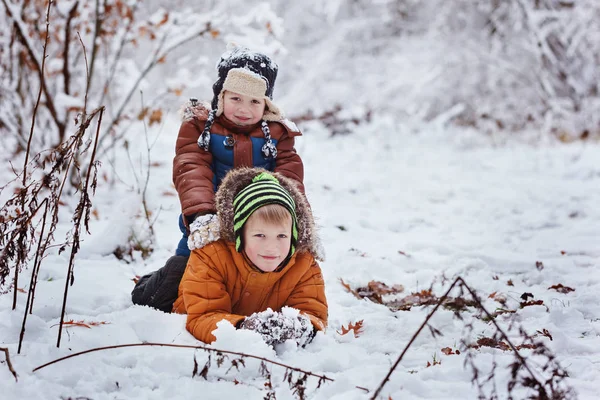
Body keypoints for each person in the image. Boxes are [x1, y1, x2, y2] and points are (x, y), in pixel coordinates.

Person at [132, 45, 310, 312]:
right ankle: (154, 287)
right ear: (220, 96)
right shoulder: (200, 128)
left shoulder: (277, 135)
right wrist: (202, 214)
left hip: (258, 225)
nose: (244, 109)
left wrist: (290, 213)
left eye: (254, 101)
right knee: (176, 285)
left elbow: (289, 176)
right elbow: (191, 167)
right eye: (235, 99)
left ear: (266, 104)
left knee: (265, 274)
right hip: (208, 221)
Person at [146, 168, 328, 347]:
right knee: (156, 287)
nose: (272, 247)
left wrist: (301, 327)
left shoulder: (303, 264)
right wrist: (244, 327)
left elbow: (313, 312)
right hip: (171, 294)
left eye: (282, 236)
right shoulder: (211, 255)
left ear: (293, 236)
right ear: (240, 234)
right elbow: (202, 316)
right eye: (260, 236)